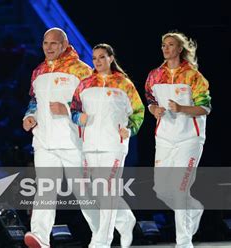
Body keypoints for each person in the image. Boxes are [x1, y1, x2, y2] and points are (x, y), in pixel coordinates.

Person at [22, 27, 92, 248]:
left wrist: (69, 111)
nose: (48, 47)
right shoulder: (38, 72)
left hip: (72, 141)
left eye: (53, 43)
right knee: (44, 189)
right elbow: (34, 101)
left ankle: (103, 234)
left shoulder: (82, 71)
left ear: (63, 45)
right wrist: (29, 116)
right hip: (44, 140)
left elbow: (93, 105)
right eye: (45, 43)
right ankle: (40, 237)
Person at [71, 43, 144, 247]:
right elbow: (74, 110)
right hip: (90, 144)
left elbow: (138, 111)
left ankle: (103, 240)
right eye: (94, 58)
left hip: (114, 144)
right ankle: (126, 220)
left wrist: (129, 128)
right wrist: (79, 118)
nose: (98, 61)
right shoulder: (84, 84)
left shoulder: (124, 84)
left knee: (107, 190)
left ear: (111, 58)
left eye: (102, 57)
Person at [145, 32, 211, 248]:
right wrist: (154, 109)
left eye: (170, 45)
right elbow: (150, 99)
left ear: (179, 49)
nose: (165, 48)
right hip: (164, 139)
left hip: (189, 139)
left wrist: (182, 108)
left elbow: (205, 108)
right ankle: (194, 209)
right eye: (163, 44)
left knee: (180, 190)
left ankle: (184, 242)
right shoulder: (155, 75)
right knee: (161, 190)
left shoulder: (193, 76)